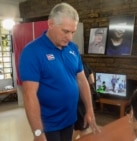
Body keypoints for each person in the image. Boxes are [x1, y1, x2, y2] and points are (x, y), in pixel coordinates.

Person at [19, 2, 100, 141]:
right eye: (65, 31)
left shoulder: (72, 48)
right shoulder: (32, 52)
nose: (69, 37)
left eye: (72, 32)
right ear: (51, 24)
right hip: (48, 125)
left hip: (69, 120)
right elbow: (29, 95)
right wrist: (38, 133)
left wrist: (89, 109)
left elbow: (82, 80)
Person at [72, 60, 99, 140]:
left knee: (78, 126)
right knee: (83, 127)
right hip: (83, 99)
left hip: (73, 97)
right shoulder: (86, 65)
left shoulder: (69, 64)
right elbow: (92, 81)